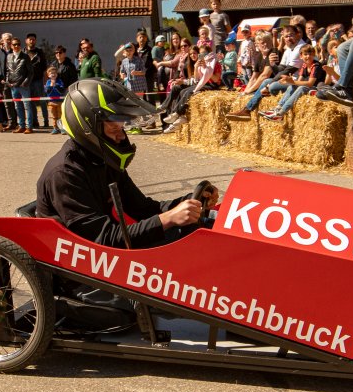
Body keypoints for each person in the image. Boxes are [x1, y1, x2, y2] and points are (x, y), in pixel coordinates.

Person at [37, 78, 217, 249]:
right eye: (113, 129)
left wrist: (189, 202)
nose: (122, 136)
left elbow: (143, 209)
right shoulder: (64, 174)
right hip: (82, 257)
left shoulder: (103, 160)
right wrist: (168, 218)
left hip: (108, 244)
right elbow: (102, 239)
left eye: (122, 128)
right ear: (87, 129)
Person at [245, 42, 324, 122]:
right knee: (292, 86)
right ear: (301, 56)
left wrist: (292, 81)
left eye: (310, 54)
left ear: (314, 55)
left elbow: (310, 83)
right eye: (305, 54)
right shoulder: (304, 65)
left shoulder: (316, 66)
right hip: (308, 87)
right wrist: (288, 82)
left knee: (301, 88)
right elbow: (298, 81)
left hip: (317, 89)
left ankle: (281, 113)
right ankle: (277, 108)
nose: (308, 56)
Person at [5, 36, 34, 132]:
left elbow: (31, 72)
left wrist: (25, 83)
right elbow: (8, 71)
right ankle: (21, 126)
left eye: (18, 44)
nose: (16, 46)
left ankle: (29, 127)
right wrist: (8, 81)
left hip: (23, 86)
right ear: (11, 46)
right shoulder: (8, 56)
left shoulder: (25, 56)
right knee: (18, 107)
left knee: (27, 106)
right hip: (13, 86)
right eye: (14, 44)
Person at [24, 34, 48, 128]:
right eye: (30, 39)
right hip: (28, 81)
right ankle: (35, 121)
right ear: (26, 41)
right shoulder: (23, 52)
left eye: (33, 39)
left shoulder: (40, 52)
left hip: (38, 80)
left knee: (42, 101)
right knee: (31, 102)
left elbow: (44, 67)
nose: (32, 41)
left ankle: (46, 121)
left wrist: (45, 80)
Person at [42, 64, 66, 134]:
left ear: (57, 74)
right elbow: (47, 91)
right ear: (48, 75)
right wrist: (51, 86)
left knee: (60, 116)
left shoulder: (59, 81)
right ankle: (55, 128)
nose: (53, 74)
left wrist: (56, 85)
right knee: (54, 116)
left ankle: (62, 128)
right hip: (51, 102)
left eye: (55, 73)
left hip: (59, 102)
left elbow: (62, 90)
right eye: (51, 73)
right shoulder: (48, 82)